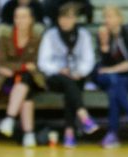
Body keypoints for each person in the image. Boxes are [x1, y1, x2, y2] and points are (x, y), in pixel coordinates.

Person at [37, 2, 96, 148]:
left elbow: (88, 59)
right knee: (68, 82)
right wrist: (58, 69)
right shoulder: (50, 35)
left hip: (75, 76)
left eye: (69, 18)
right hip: (54, 77)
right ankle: (82, 117)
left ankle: (69, 133)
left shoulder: (83, 35)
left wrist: (79, 72)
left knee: (72, 85)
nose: (65, 21)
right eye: (62, 18)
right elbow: (43, 62)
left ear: (75, 19)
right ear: (58, 19)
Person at [0, 4, 44, 147]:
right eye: (17, 17)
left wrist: (14, 68)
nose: (20, 20)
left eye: (24, 17)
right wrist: (24, 66)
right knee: (26, 86)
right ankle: (29, 134)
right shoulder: (5, 36)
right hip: (7, 83)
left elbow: (37, 63)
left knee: (26, 79)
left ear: (31, 19)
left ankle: (9, 119)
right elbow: (1, 62)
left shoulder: (37, 38)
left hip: (32, 79)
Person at [93, 4, 128, 149]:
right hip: (107, 78)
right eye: (105, 17)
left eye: (111, 16)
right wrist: (104, 45)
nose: (107, 20)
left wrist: (112, 70)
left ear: (120, 18)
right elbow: (100, 65)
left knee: (114, 90)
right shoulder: (102, 35)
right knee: (113, 82)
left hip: (126, 77)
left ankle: (113, 134)